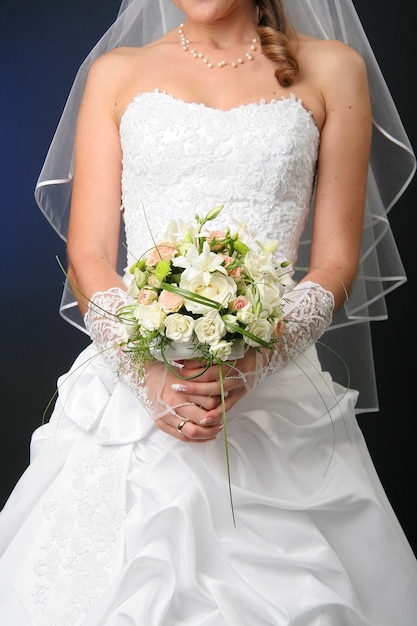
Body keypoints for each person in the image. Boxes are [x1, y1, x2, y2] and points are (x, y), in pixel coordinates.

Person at [1, 0, 416, 623]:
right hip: (134, 385)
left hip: (273, 389)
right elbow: (88, 256)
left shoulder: (335, 69)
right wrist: (147, 375)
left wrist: (257, 360)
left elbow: (334, 261)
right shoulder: (117, 72)